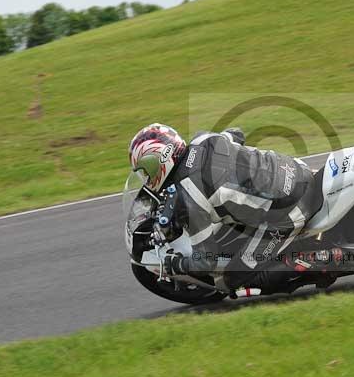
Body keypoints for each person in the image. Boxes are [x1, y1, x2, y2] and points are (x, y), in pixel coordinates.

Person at [128, 123, 324, 294]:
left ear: (161, 161)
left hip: (290, 211)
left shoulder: (191, 199)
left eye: (146, 171)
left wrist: (177, 264)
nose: (145, 179)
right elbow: (236, 133)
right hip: (296, 169)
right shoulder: (203, 139)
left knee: (233, 278)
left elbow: (205, 262)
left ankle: (312, 262)